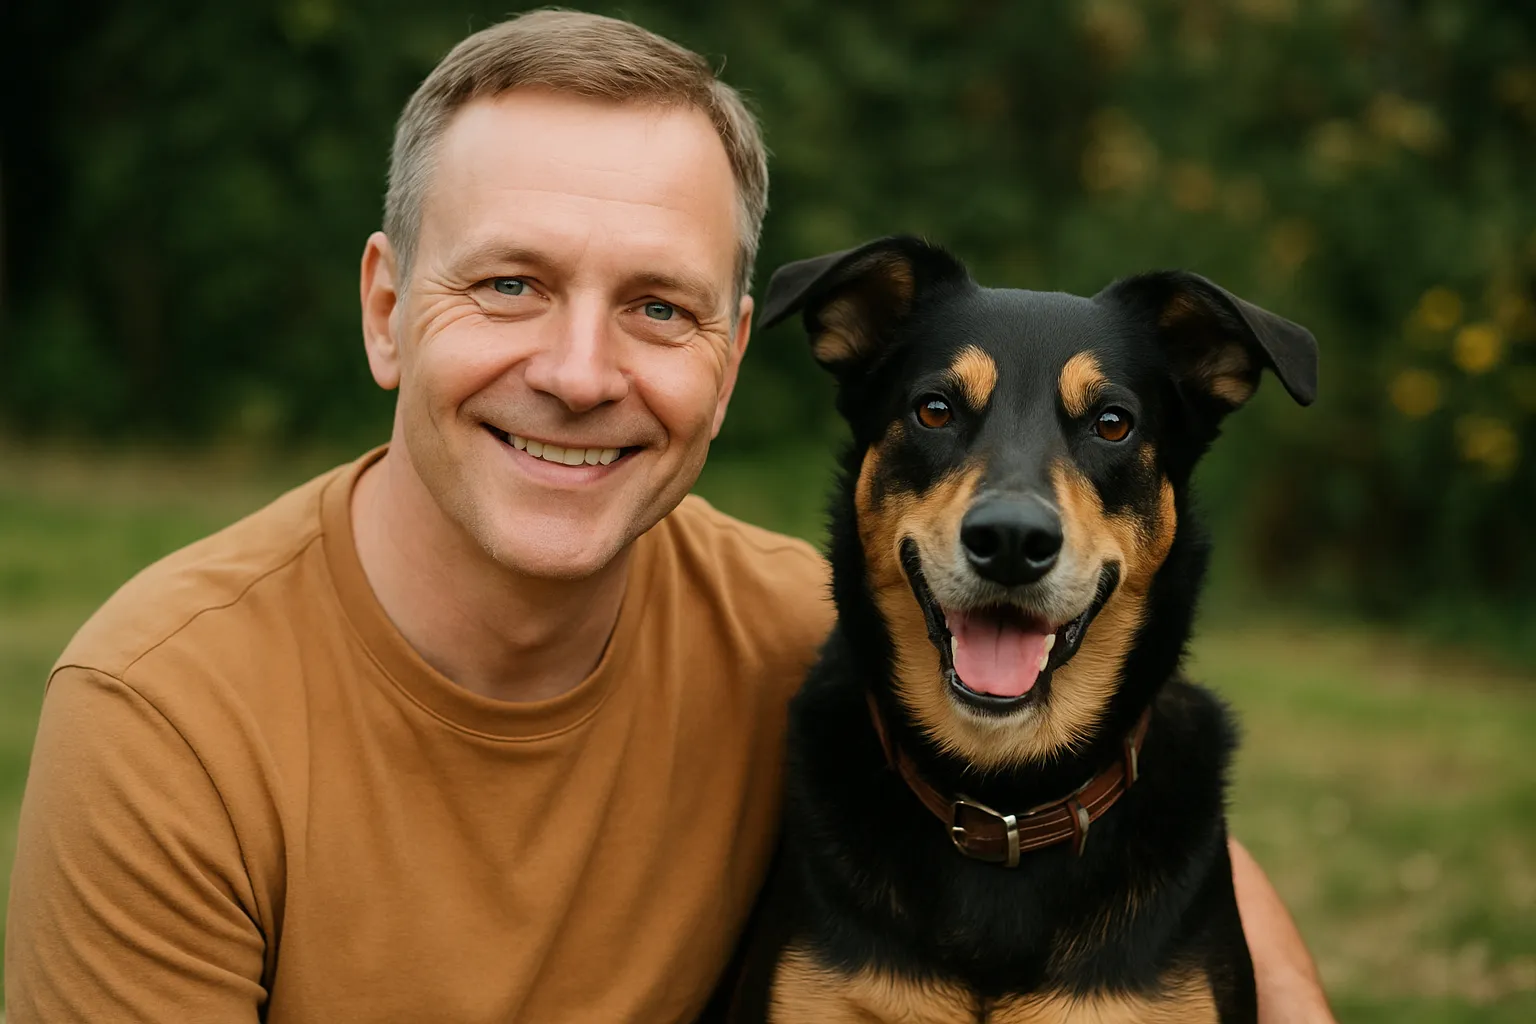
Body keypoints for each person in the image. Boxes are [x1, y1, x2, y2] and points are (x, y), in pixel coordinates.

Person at [5, 10, 1335, 1022]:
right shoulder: (165, 715)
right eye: (512, 284)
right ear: (385, 310)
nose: (580, 375)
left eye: (658, 307)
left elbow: (1136, 806)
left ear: (734, 347)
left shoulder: (821, 633)